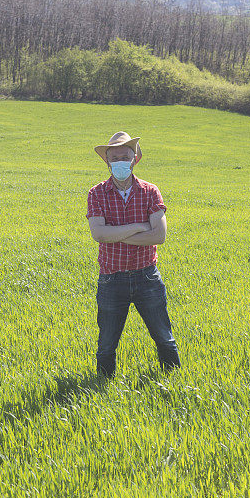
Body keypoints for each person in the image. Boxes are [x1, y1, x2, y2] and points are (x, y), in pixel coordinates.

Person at [85, 131, 181, 378]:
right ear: (107, 162)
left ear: (135, 159)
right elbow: (99, 234)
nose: (119, 162)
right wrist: (140, 227)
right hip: (111, 279)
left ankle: (174, 380)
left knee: (164, 338)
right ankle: (102, 387)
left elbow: (159, 236)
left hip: (146, 277)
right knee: (106, 344)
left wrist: (115, 233)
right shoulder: (96, 193)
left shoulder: (150, 191)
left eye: (125, 157)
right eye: (114, 157)